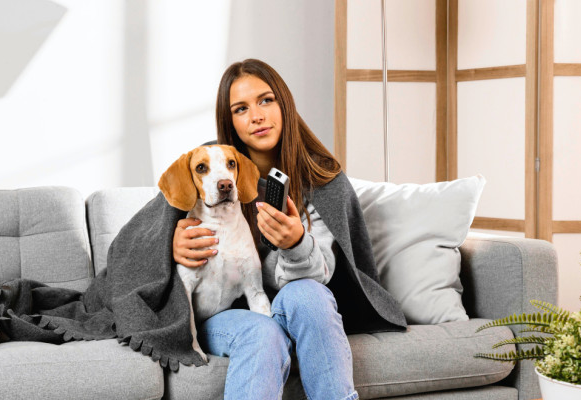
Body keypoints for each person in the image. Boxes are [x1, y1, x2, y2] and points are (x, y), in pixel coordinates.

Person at [172, 59, 406, 400]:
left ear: (284, 103)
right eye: (241, 108)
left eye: (266, 100)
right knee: (261, 333)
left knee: (309, 296)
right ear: (231, 121)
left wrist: (296, 243)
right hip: (225, 313)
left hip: (290, 302)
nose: (256, 116)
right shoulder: (211, 166)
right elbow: (154, 230)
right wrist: (174, 242)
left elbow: (324, 272)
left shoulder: (324, 181)